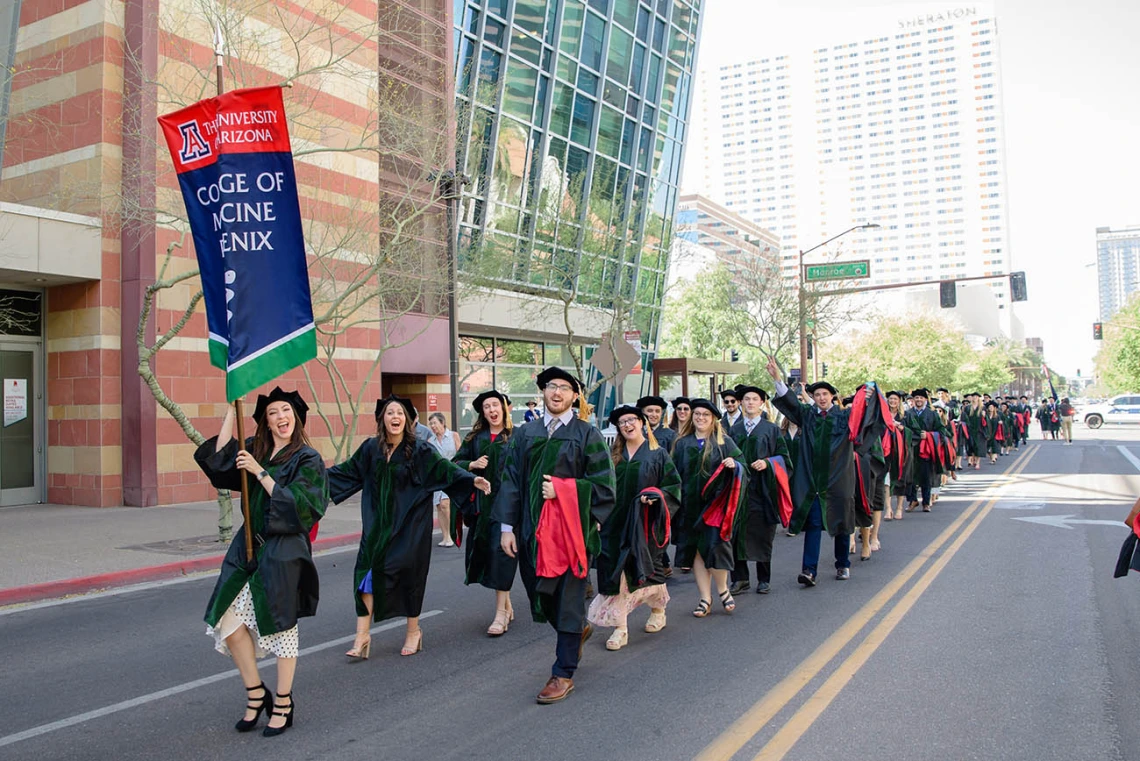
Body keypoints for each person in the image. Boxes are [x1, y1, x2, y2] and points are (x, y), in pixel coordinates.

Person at [193, 388, 328, 737]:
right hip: (247, 547)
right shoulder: (257, 448)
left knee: (282, 628)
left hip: (284, 552)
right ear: (265, 421)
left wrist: (261, 474)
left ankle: (283, 701)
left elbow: (303, 507)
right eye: (272, 413)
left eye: (286, 411)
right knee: (228, 621)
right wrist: (229, 406)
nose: (280, 417)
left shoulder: (308, 458)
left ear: (296, 417)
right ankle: (256, 694)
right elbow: (221, 460)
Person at [331, 395, 490, 661]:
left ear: (407, 420)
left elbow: (444, 470)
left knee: (409, 577)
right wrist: (308, 482)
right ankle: (362, 636)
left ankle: (413, 631)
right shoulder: (371, 449)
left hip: (410, 527)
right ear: (382, 418)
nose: (395, 417)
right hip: (376, 527)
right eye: (390, 413)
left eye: (400, 413)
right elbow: (345, 472)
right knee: (365, 577)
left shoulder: (420, 450)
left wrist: (472, 480)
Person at [492, 367, 616, 705]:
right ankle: (575, 630)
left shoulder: (586, 435)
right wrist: (506, 528)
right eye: (551, 387)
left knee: (568, 599)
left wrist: (564, 490)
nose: (556, 392)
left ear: (575, 396)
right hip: (531, 533)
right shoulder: (525, 433)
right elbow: (510, 480)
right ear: (543, 392)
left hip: (571, 536)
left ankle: (563, 672)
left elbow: (604, 485)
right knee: (540, 595)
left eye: (564, 387)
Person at [588, 405, 681, 650]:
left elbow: (673, 486)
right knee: (616, 573)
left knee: (647, 569)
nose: (627, 425)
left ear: (642, 423)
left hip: (645, 524)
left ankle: (658, 610)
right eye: (622, 422)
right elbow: (600, 487)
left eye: (632, 420)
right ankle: (621, 628)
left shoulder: (658, 454)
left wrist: (655, 497)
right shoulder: (613, 455)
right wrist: (596, 516)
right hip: (614, 523)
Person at [767, 357, 865, 585]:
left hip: (839, 480)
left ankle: (842, 564)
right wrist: (777, 379)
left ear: (832, 396)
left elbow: (864, 419)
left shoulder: (844, 417)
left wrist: (867, 397)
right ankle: (809, 570)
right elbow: (790, 403)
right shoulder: (808, 415)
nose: (821, 398)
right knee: (813, 524)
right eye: (817, 394)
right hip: (813, 481)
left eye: (824, 394)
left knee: (840, 523)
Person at [672, 398, 747, 616]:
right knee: (696, 551)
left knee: (715, 547)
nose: (700, 418)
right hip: (689, 507)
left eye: (705, 415)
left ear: (713, 419)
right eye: (697, 414)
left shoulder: (723, 442)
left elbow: (743, 465)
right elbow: (673, 475)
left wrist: (735, 465)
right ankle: (705, 598)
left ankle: (723, 589)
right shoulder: (682, 443)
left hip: (715, 507)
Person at [453, 390, 517, 636]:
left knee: (502, 557)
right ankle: (507, 605)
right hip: (482, 510)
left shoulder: (516, 436)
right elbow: (454, 464)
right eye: (486, 406)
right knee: (491, 558)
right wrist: (471, 464)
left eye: (495, 405)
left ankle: (500, 615)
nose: (491, 410)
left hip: (508, 508)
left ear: (504, 408)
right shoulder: (475, 438)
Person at [728, 385, 792, 595]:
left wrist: (768, 463)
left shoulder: (771, 429)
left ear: (762, 403)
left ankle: (764, 578)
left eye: (754, 399)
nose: (750, 402)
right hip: (738, 491)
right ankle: (740, 579)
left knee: (763, 534)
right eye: (746, 399)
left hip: (764, 490)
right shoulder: (733, 430)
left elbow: (785, 459)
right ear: (741, 402)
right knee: (736, 534)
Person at [849, 384, 892, 558]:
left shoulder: (879, 417)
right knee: (850, 502)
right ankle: (851, 539)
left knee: (870, 503)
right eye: (863, 393)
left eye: (870, 393)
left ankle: (869, 540)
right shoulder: (851, 415)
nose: (866, 396)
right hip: (852, 463)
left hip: (874, 463)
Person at [904, 389, 947, 512]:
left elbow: (941, 431)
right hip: (911, 448)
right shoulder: (908, 414)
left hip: (926, 450)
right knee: (910, 476)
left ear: (925, 400)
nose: (918, 400)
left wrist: (928, 435)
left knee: (926, 476)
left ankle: (926, 502)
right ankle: (912, 500)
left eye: (921, 398)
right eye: (916, 398)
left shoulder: (932, 414)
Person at [427, 412, 462, 547]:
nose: (433, 426)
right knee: (439, 506)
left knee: (445, 504)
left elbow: (460, 453)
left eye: (435, 423)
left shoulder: (453, 435)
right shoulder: (431, 441)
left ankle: (452, 534)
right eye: (431, 424)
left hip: (451, 474)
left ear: (442, 423)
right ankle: (445, 536)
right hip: (437, 476)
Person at [884, 390, 913, 521]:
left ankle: (899, 507)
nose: (893, 401)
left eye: (895, 399)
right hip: (887, 451)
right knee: (886, 480)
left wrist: (902, 428)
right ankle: (888, 508)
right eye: (890, 399)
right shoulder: (883, 415)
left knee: (900, 479)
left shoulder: (906, 416)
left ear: (899, 401)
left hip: (902, 453)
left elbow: (915, 432)